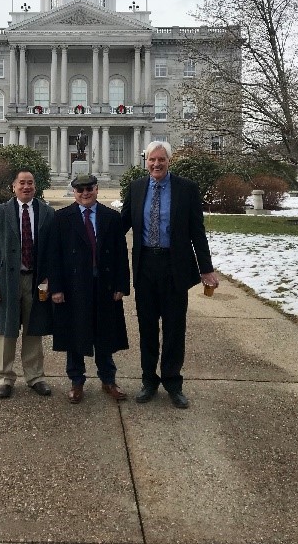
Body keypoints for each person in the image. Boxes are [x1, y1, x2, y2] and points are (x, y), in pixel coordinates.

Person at [121, 141, 219, 409]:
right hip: (145, 267)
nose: (156, 164)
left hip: (174, 267)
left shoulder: (186, 189)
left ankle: (173, 382)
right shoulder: (137, 188)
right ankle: (148, 381)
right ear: (146, 161)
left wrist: (206, 268)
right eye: (152, 160)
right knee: (147, 327)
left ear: (169, 161)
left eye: (161, 159)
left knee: (175, 328)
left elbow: (197, 231)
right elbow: (122, 223)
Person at [49, 174, 130, 404]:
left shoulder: (111, 217)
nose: (85, 193)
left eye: (89, 189)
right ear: (74, 192)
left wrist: (121, 285)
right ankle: (76, 381)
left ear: (96, 189)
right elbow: (54, 255)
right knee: (75, 334)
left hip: (104, 284)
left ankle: (108, 379)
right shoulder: (61, 218)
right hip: (74, 286)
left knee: (105, 333)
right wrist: (56, 288)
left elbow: (121, 254)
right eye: (80, 190)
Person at [0, 169, 55, 399]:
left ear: (35, 186)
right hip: (8, 280)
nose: (26, 187)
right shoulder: (0, 212)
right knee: (7, 330)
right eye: (22, 183)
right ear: (13, 186)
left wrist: (50, 278)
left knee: (34, 330)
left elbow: (52, 250)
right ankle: (5, 377)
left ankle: (35, 377)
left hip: (36, 281)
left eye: (30, 183)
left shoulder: (46, 212)